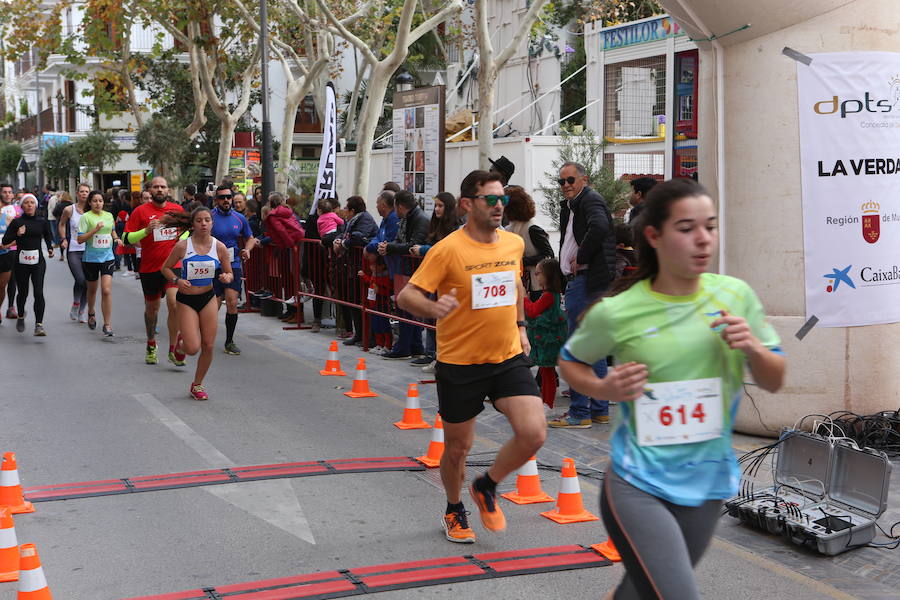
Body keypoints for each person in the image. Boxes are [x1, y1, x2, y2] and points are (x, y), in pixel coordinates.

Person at [558, 178, 785, 600]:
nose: (703, 240)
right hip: (637, 483)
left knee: (642, 591)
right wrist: (605, 387)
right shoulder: (619, 310)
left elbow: (775, 379)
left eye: (710, 227)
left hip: (707, 484)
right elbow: (569, 362)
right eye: (686, 228)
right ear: (654, 236)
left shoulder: (735, 296)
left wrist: (752, 345)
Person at [397, 169, 546, 544]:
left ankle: (487, 485)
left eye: (504, 200)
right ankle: (453, 507)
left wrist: (522, 327)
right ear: (467, 204)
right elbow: (407, 296)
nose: (499, 207)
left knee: (534, 432)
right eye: (491, 200)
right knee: (458, 448)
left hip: (506, 356)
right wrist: (434, 308)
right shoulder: (447, 249)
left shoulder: (512, 244)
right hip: (460, 363)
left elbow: (514, 287)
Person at [548, 161, 617, 428]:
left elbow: (599, 228)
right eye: (561, 182)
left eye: (570, 180)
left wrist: (582, 257)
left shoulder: (589, 201)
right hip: (589, 282)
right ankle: (598, 409)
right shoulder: (576, 204)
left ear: (583, 179)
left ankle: (579, 413)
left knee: (577, 346)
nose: (565, 186)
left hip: (587, 282)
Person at [160, 207, 234, 401]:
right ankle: (181, 346)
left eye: (207, 220)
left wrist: (226, 277)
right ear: (192, 224)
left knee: (208, 345)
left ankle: (197, 384)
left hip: (208, 297)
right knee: (192, 348)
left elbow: (228, 273)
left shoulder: (219, 247)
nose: (203, 224)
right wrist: (176, 281)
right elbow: (165, 268)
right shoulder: (183, 246)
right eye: (199, 220)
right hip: (186, 299)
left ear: (212, 223)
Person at [123, 176, 186, 366]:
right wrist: (146, 231)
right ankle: (151, 344)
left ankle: (173, 349)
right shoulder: (140, 212)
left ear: (168, 190)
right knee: (152, 309)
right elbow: (127, 238)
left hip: (172, 266)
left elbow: (187, 230)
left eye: (163, 187)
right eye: (156, 187)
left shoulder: (177, 210)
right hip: (149, 267)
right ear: (150, 190)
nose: (159, 189)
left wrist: (179, 236)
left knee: (174, 304)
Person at [409, 191, 458, 368]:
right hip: (435, 277)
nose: (437, 209)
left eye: (440, 205)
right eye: (436, 205)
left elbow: (445, 251)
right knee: (431, 315)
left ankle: (441, 355)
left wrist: (423, 250)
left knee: (443, 317)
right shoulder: (435, 224)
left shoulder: (455, 227)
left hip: (448, 279)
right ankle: (431, 353)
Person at [380, 190, 429, 360]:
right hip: (407, 269)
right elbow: (402, 242)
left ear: (400, 206)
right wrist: (389, 245)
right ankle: (414, 345)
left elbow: (413, 245)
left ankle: (406, 347)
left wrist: (390, 248)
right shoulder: (408, 219)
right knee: (408, 308)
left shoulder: (420, 219)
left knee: (408, 309)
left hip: (415, 269)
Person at [210, 185, 258, 355]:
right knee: (212, 306)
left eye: (228, 197)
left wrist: (247, 249)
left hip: (233, 264)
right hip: (212, 266)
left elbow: (250, 238)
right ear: (216, 200)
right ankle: (204, 336)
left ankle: (229, 341)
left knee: (231, 302)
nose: (226, 200)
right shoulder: (209, 217)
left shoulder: (239, 218)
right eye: (222, 197)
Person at [1, 194, 54, 335]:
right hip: (21, 263)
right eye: (27, 203)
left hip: (38, 262)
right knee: (23, 292)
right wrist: (17, 234)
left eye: (32, 202)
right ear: (22, 206)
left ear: (36, 205)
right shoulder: (17, 222)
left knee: (38, 292)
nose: (30, 205)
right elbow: (6, 241)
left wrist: (50, 248)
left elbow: (48, 236)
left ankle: (39, 325)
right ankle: (20, 316)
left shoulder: (42, 221)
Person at [333, 195, 378, 346]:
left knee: (363, 302)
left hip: (362, 266)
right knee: (353, 300)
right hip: (351, 266)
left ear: (352, 210)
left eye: (346, 208)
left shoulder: (364, 219)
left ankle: (368, 336)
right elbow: (345, 233)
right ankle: (359, 334)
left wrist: (344, 243)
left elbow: (358, 237)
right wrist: (338, 240)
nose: (344, 211)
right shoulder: (351, 221)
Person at [524, 258, 567, 409]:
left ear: (548, 275)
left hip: (547, 339)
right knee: (546, 371)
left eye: (538, 273)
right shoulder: (550, 294)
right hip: (547, 338)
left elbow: (533, 311)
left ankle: (548, 404)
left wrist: (524, 299)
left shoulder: (548, 295)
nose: (536, 276)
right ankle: (546, 402)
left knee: (547, 372)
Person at [77, 190, 119, 335]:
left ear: (103, 202)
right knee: (92, 290)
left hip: (107, 257)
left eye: (100, 200)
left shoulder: (109, 216)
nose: (98, 203)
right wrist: (95, 230)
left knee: (106, 290)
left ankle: (107, 324)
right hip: (91, 259)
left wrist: (116, 238)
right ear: (90, 202)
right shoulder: (85, 217)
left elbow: (112, 231)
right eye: (94, 200)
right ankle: (91, 312)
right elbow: (80, 239)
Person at [504, 186, 554, 301]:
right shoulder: (511, 227)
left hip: (537, 285)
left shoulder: (532, 227)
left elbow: (548, 255)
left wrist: (523, 262)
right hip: (521, 283)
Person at [58, 183, 90, 323]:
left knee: (89, 283)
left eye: (87, 191)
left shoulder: (93, 209)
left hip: (91, 250)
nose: (84, 194)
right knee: (80, 280)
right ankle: (76, 303)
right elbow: (61, 224)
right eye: (82, 191)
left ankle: (82, 310)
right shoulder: (69, 209)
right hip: (74, 250)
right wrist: (64, 239)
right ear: (77, 193)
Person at [358, 253, 393, 353]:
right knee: (376, 324)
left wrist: (379, 289)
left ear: (382, 266)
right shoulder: (375, 274)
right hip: (373, 303)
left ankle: (388, 345)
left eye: (375, 265)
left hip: (382, 303)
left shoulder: (385, 276)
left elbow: (388, 290)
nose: (372, 267)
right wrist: (364, 276)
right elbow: (370, 283)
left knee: (383, 324)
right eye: (371, 265)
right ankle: (379, 344)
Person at [0, 183, 22, 317]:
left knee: (12, 279)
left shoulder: (18, 209)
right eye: (5, 192)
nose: (8, 194)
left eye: (10, 192)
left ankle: (11, 307)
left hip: (12, 248)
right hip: (4, 248)